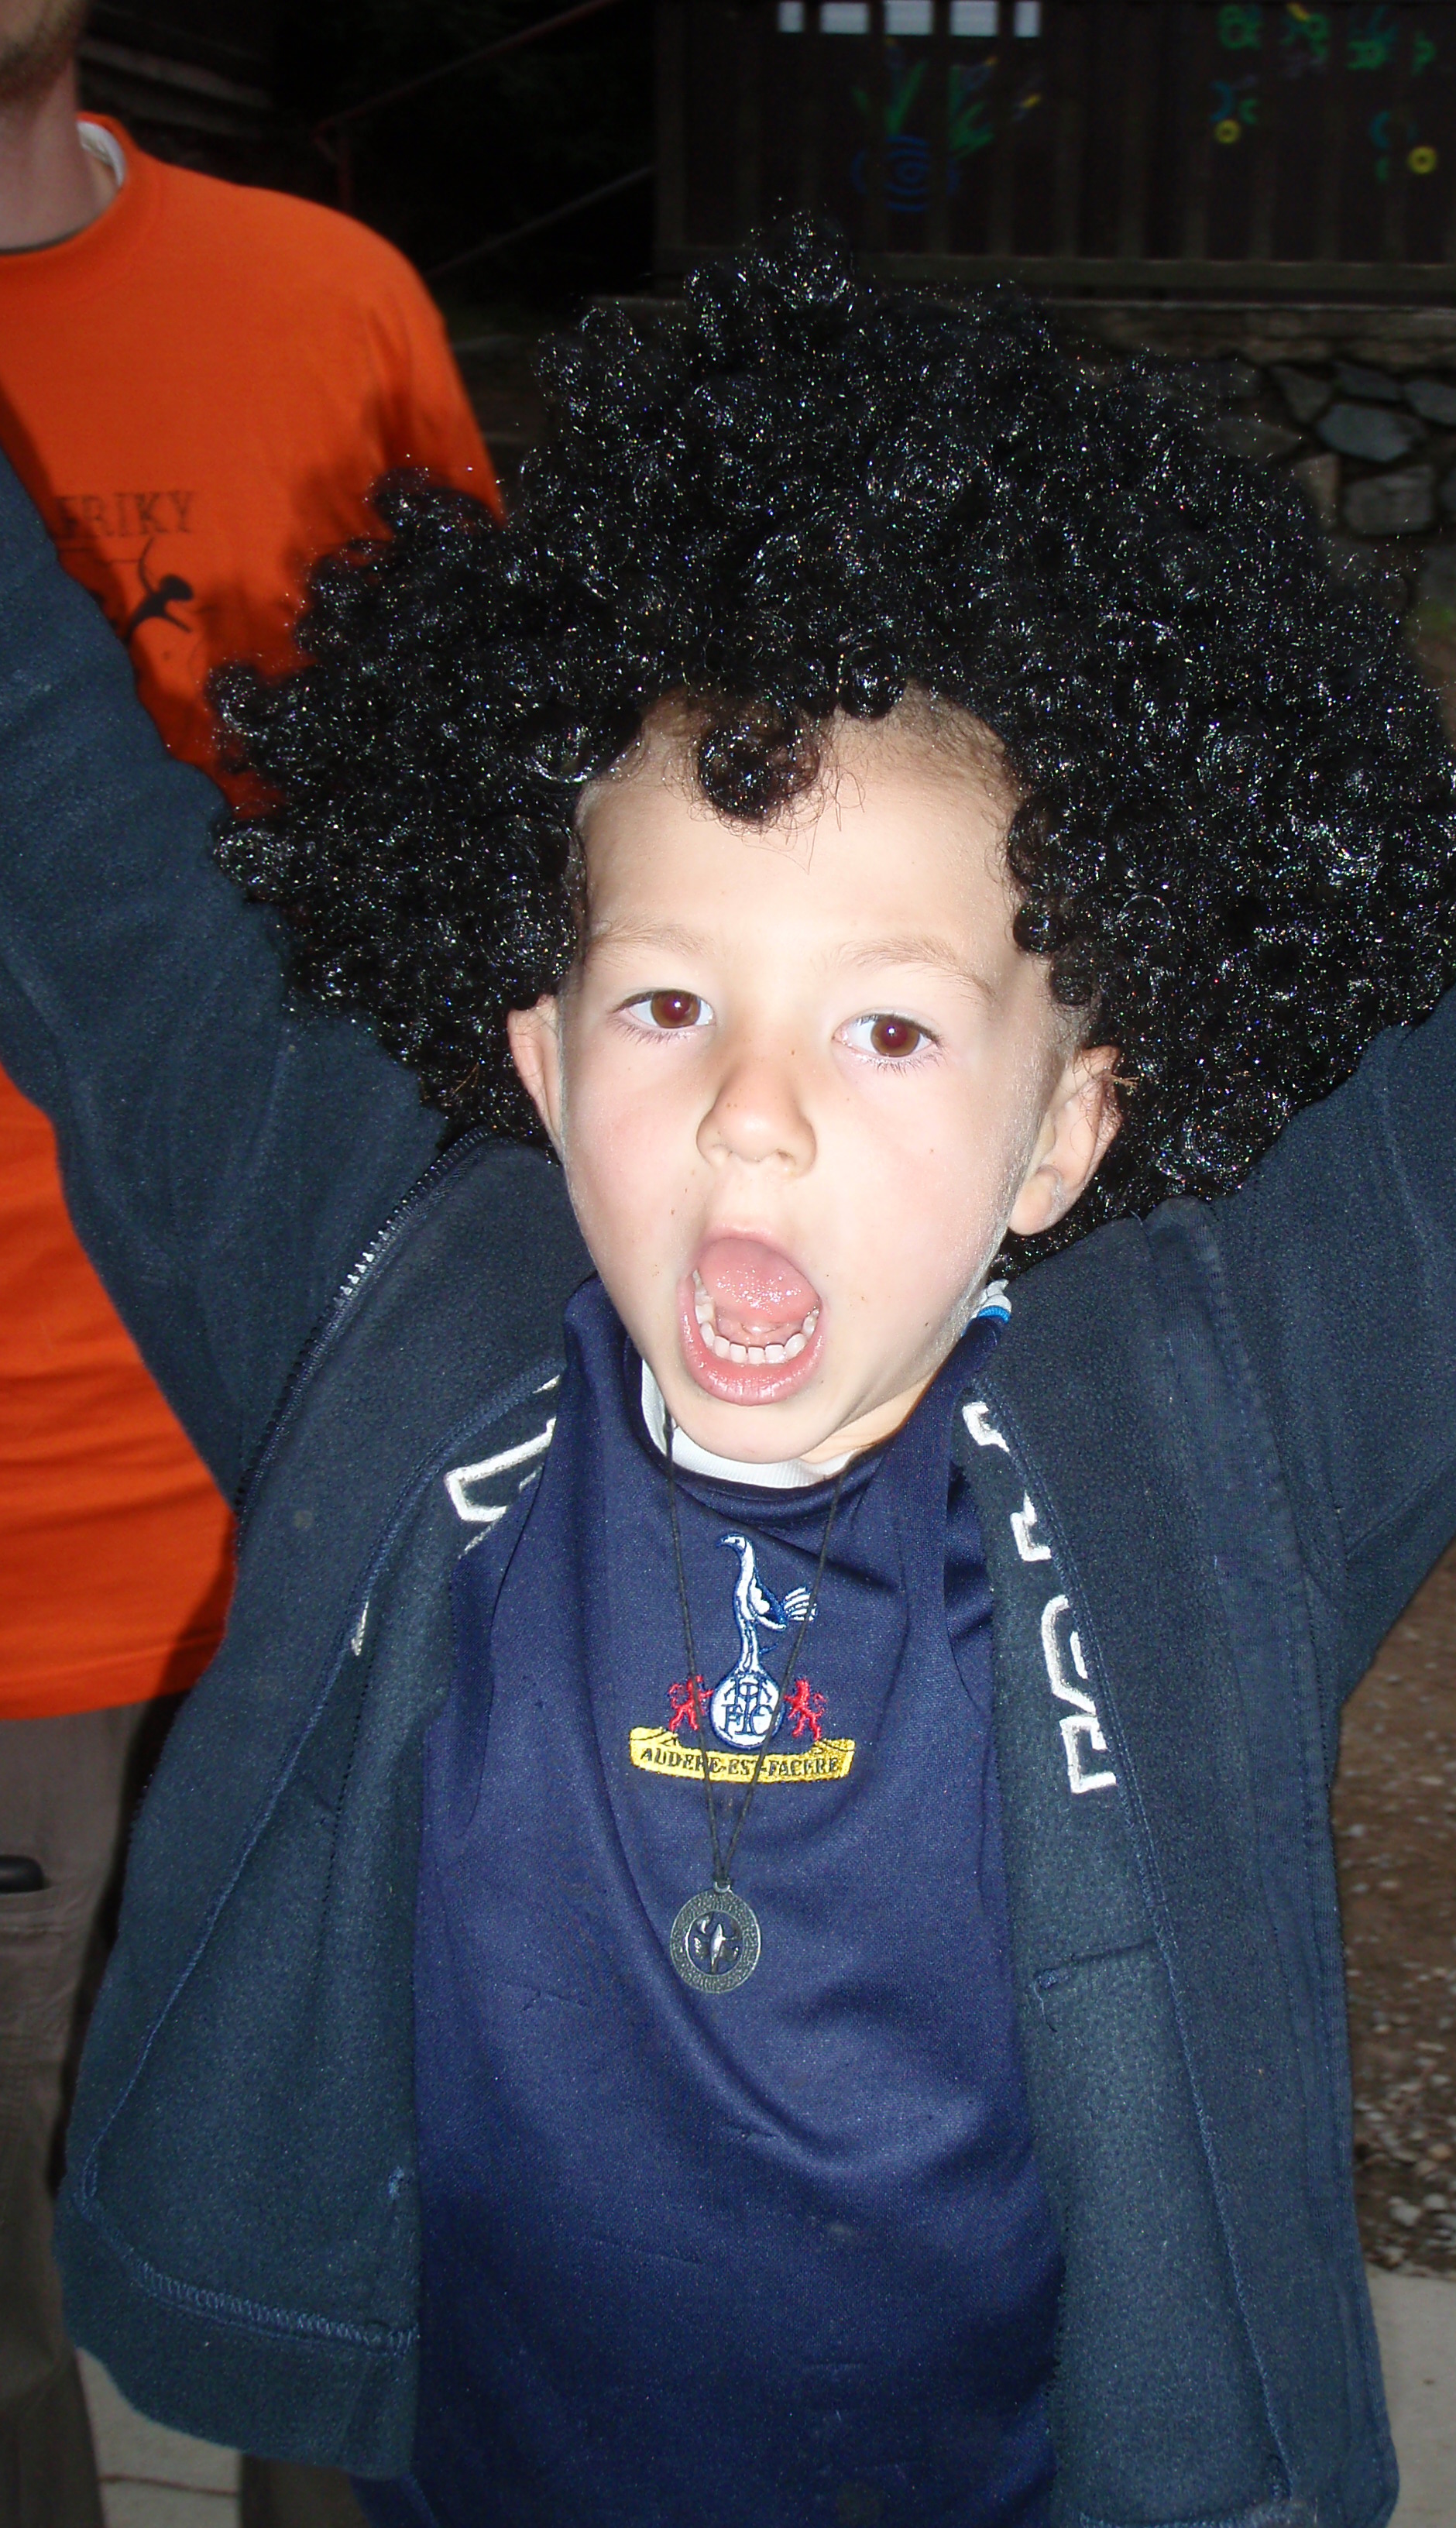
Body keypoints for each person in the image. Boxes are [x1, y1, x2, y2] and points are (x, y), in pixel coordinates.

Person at [2, 221, 1456, 2526]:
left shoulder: (1216, 1433)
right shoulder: (377, 1315)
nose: (756, 1114)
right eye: (669, 1002)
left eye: (889, 1029)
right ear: (540, 1055)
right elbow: (77, 865)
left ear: (1065, 1127)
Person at [0, 7, 496, 2521]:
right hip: (7, 1557)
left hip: (353, 1472)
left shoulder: (333, 302)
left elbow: (522, 841)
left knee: (366, 2237)